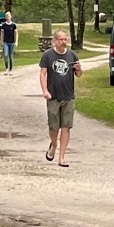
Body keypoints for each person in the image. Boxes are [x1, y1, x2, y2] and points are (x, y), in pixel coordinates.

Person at [37, 28, 81, 167]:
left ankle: (62, 157)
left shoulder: (72, 55)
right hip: (53, 97)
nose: (63, 42)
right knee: (54, 128)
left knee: (66, 127)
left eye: (65, 39)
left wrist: (79, 69)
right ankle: (54, 145)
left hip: (68, 96)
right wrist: (45, 91)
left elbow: (78, 75)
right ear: (55, 41)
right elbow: (42, 74)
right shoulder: (48, 55)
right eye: (61, 40)